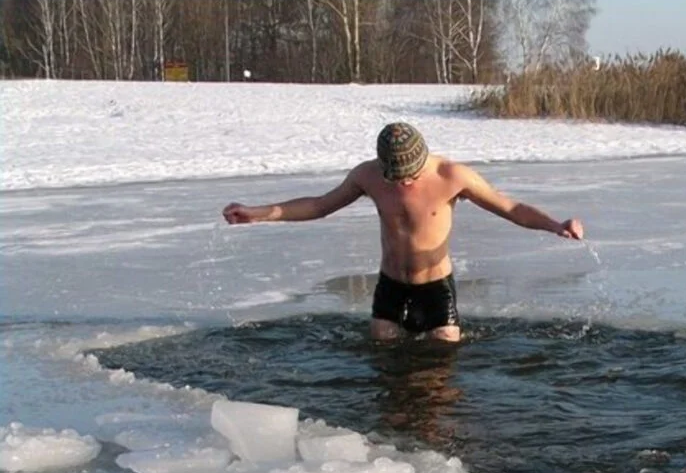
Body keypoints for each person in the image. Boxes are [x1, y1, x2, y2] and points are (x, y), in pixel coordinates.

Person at [222, 122, 584, 342]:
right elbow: (319, 205)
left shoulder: (452, 176)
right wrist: (256, 214)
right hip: (391, 283)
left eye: (411, 174)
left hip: (435, 286)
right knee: (382, 349)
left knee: (443, 354)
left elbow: (510, 208)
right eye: (396, 176)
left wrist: (556, 225)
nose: (405, 182)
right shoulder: (367, 175)